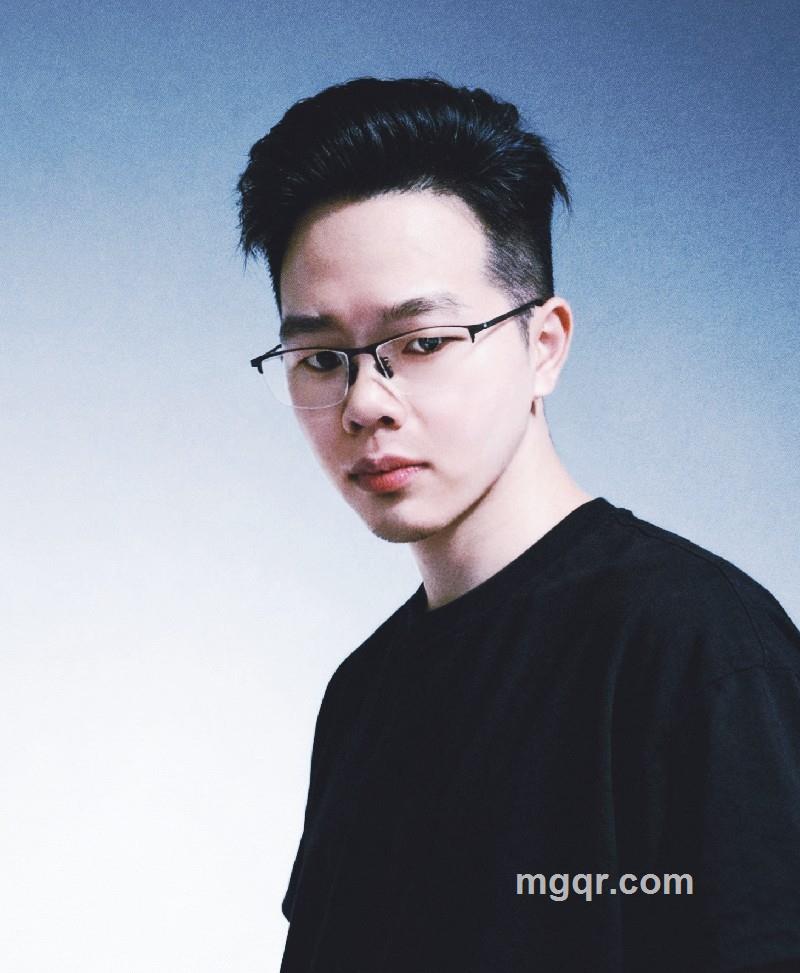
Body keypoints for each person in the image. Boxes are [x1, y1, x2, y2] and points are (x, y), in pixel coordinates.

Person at [236, 77, 800, 972]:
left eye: (422, 342)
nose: (365, 401)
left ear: (545, 346)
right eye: (321, 357)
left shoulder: (698, 648)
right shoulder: (361, 697)